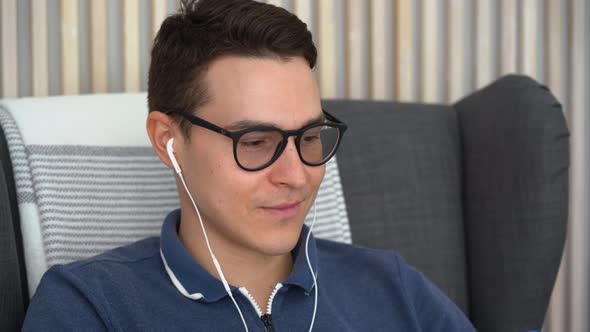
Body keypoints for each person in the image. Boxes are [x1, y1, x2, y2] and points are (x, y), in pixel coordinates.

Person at [23, 0, 475, 330]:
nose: (296, 176)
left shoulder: (393, 288)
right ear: (169, 142)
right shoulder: (91, 307)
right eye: (257, 142)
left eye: (310, 137)